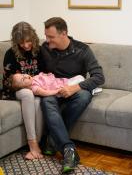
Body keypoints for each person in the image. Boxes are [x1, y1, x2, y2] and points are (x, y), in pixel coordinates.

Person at [40, 17, 105, 173]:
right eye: (46, 36)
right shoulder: (45, 48)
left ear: (64, 34)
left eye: (51, 37)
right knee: (46, 101)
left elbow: (99, 77)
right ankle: (68, 150)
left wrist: (75, 87)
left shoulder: (82, 50)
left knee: (84, 96)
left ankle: (51, 140)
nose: (47, 41)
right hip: (53, 90)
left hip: (75, 90)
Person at [2, 22, 44, 160]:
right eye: (21, 43)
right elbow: (8, 82)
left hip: (36, 87)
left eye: (28, 41)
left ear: (33, 38)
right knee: (27, 94)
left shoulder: (39, 51)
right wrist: (23, 84)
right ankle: (32, 143)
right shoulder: (11, 54)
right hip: (17, 90)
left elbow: (46, 73)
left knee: (37, 102)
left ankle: (37, 143)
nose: (26, 45)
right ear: (16, 42)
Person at [11, 72, 85, 96]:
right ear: (24, 87)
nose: (26, 76)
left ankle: (90, 87)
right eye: (23, 79)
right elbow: (46, 93)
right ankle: (92, 89)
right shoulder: (35, 88)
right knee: (80, 78)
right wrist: (58, 90)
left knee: (79, 78)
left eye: (23, 74)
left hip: (61, 81)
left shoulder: (33, 79)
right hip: (61, 88)